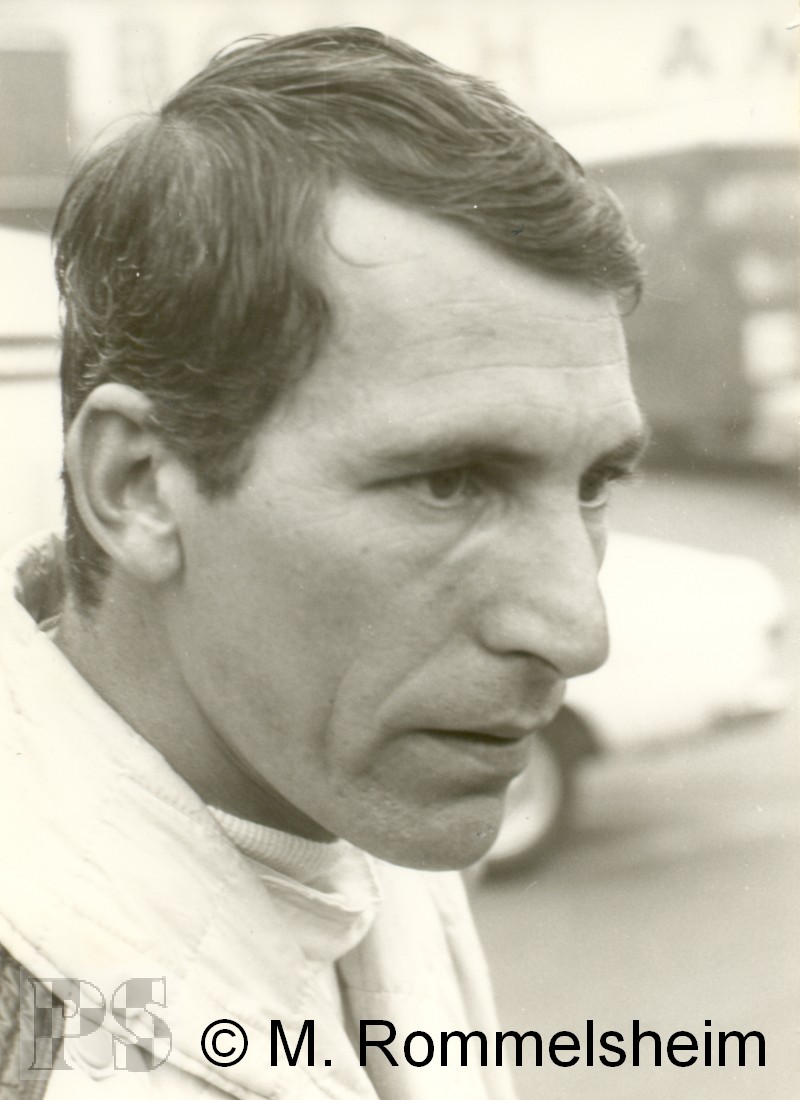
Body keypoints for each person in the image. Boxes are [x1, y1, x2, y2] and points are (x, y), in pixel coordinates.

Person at [0, 26, 646, 1099]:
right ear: (138, 485)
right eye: (448, 481)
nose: (578, 630)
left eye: (593, 482)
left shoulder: (336, 783)